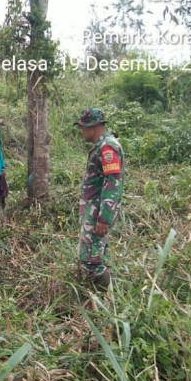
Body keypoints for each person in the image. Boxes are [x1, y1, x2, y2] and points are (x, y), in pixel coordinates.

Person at [76, 108, 124, 289]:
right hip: (95, 210)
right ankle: (101, 298)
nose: (82, 132)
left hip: (97, 212)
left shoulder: (107, 147)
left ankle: (106, 298)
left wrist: (104, 217)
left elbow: (112, 182)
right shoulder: (104, 145)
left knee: (91, 261)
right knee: (99, 254)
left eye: (83, 127)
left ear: (93, 127)